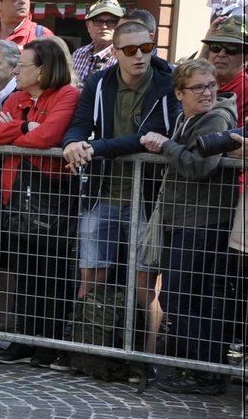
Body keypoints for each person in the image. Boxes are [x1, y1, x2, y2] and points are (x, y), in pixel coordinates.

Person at [60, 19, 177, 372]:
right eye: (130, 50)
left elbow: (151, 136)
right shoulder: (99, 82)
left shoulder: (167, 81)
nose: (139, 55)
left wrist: (93, 147)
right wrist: (72, 144)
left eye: (145, 47)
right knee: (90, 275)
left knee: (145, 282)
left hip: (148, 198)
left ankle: (146, 357)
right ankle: (85, 350)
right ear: (117, 52)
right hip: (103, 194)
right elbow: (79, 122)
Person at [140, 58, 241, 394]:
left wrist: (167, 145)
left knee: (177, 297)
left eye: (211, 85)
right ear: (180, 93)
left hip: (204, 221)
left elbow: (200, 167)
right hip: (189, 219)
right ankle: (201, 369)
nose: (207, 92)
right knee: (192, 299)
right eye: (198, 87)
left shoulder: (215, 117)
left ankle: (209, 372)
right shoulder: (189, 117)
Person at [0, 37, 81, 366]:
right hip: (16, 197)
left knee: (50, 273)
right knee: (23, 271)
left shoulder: (68, 95)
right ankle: (25, 338)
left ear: (42, 71)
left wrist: (18, 133)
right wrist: (24, 125)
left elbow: (48, 137)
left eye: (23, 66)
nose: (16, 70)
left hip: (50, 199)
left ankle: (47, 342)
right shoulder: (17, 98)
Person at [200, 18, 248, 122]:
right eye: (215, 47)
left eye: (232, 49)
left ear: (247, 58)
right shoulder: (198, 84)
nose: (221, 54)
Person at [72, 0, 123, 84]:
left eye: (111, 22)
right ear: (88, 26)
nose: (104, 26)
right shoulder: (78, 54)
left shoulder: (122, 57)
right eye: (98, 21)